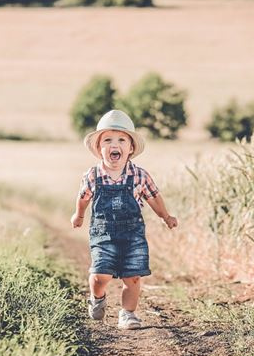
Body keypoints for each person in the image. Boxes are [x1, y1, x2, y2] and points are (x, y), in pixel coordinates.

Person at [70, 109, 178, 330]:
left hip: (132, 236)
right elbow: (83, 198)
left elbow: (154, 197)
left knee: (133, 278)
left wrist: (165, 216)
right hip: (103, 234)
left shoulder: (139, 175)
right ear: (99, 149)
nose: (114, 144)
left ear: (130, 149)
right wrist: (79, 215)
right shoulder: (92, 175)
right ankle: (97, 297)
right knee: (101, 275)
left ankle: (127, 314)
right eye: (107, 140)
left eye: (121, 140)